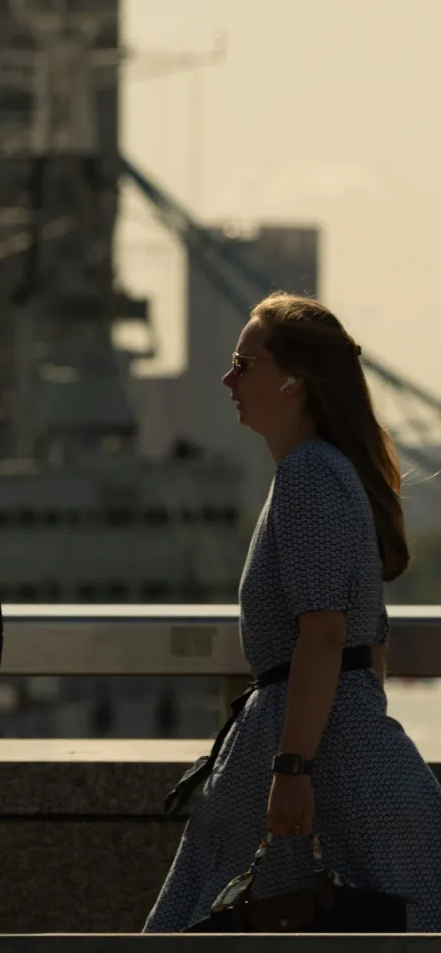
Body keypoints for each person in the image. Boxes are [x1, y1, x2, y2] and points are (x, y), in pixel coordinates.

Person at [146, 294, 441, 931]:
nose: (228, 379)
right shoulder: (320, 472)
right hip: (341, 759)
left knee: (192, 928)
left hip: (315, 765)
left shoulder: (309, 474)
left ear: (292, 380)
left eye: (241, 363)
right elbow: (365, 649)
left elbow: (326, 633)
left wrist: (292, 767)